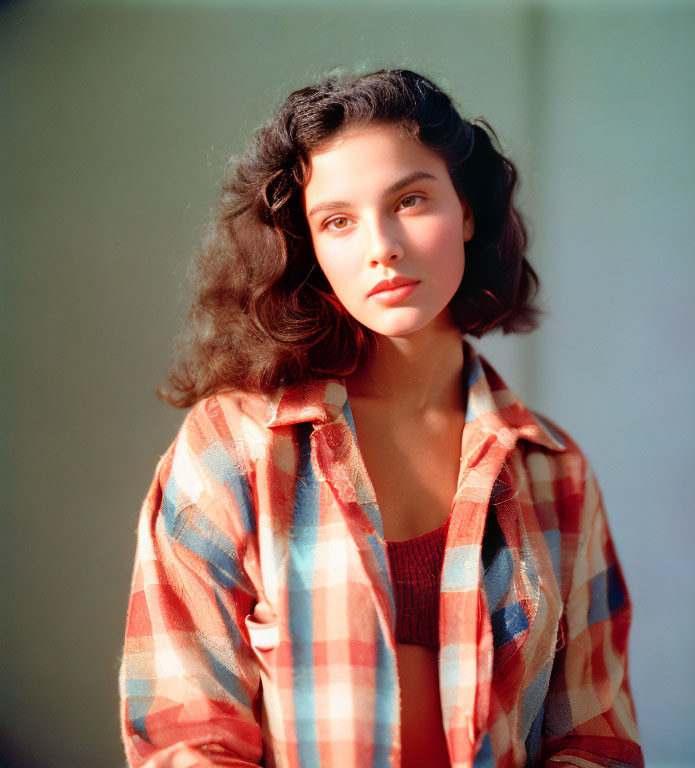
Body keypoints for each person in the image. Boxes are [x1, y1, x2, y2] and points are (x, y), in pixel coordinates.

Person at [119, 68, 644, 768]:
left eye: (412, 200)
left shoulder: (556, 475)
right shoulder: (232, 449)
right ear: (309, 249)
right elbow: (185, 737)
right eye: (338, 220)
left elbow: (595, 740)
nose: (382, 246)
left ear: (469, 212)